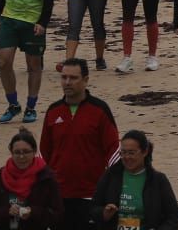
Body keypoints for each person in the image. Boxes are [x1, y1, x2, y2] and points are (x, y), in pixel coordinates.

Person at [38, 58, 119, 228]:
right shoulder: (53, 111)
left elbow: (114, 151)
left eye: (73, 78)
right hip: (59, 195)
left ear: (86, 80)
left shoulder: (100, 110)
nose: (67, 82)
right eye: (64, 77)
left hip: (92, 194)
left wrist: (110, 187)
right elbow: (44, 152)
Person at [93, 129, 178, 230]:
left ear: (145, 152)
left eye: (131, 153)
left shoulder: (158, 180)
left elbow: (174, 216)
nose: (127, 157)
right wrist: (103, 213)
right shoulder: (111, 175)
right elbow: (93, 208)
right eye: (123, 153)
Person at [0, 129, 62, 229]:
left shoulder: (46, 178)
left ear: (34, 151)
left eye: (26, 152)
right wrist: (7, 212)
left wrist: (33, 212)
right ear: (11, 152)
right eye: (17, 152)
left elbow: (57, 216)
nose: (21, 156)